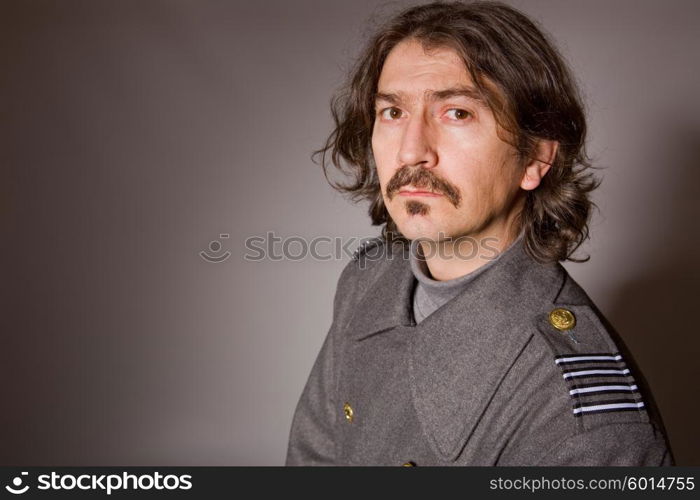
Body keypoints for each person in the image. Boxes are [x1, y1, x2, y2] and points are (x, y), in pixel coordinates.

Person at [286, 0, 673, 466]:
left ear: (536, 159)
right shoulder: (368, 279)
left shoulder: (580, 418)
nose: (412, 151)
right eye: (392, 113)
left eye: (457, 113)